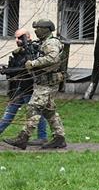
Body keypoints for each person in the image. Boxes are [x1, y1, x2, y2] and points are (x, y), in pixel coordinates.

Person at [2, 20, 68, 150]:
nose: (36, 30)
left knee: (33, 107)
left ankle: (23, 138)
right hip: (42, 81)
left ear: (46, 29)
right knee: (49, 112)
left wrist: (34, 63)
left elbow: (53, 58)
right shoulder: (42, 43)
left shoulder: (51, 42)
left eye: (38, 28)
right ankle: (59, 138)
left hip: (48, 83)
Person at [0, 30, 49, 142]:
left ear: (27, 37)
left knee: (36, 114)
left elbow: (26, 69)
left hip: (30, 88)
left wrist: (9, 70)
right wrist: (7, 70)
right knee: (9, 113)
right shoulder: (18, 52)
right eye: (16, 38)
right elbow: (16, 69)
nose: (17, 40)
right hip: (18, 88)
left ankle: (42, 137)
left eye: (20, 38)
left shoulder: (33, 50)